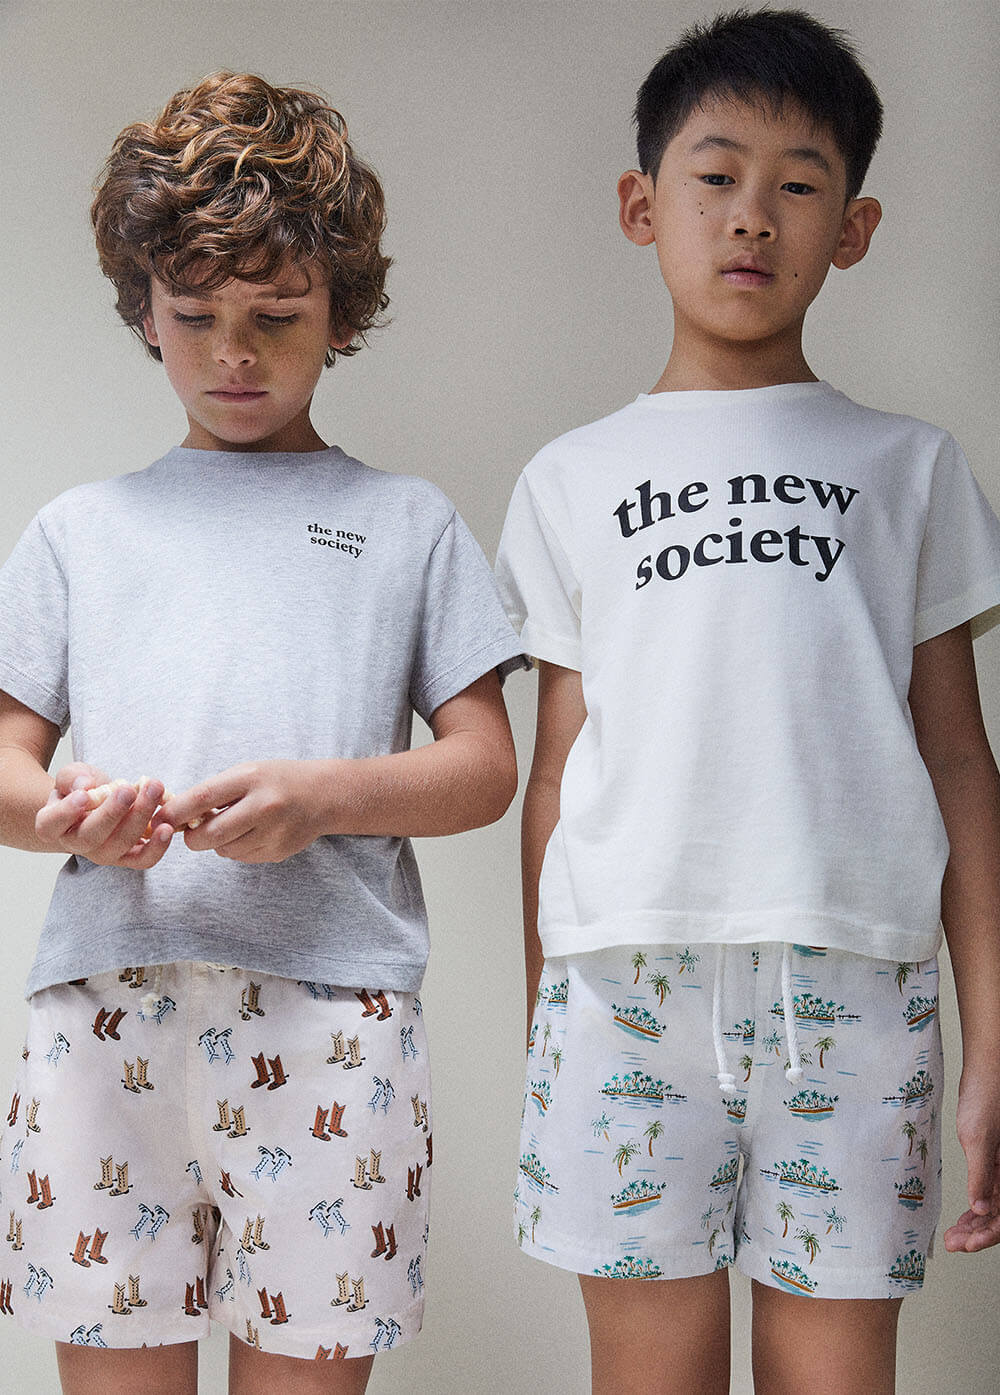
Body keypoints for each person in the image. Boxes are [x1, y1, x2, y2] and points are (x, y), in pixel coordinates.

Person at [495, 9, 1000, 1393]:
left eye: (798, 184)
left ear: (855, 227)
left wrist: (991, 1031)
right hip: (624, 979)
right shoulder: (570, 478)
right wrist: (543, 1016)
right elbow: (557, 767)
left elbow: (960, 757)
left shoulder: (909, 468)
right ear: (641, 204)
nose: (751, 217)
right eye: (715, 176)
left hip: (856, 976)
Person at [0, 71, 524, 1395]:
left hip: (333, 1018)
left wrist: (323, 799)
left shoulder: (407, 524)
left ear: (342, 311)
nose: (235, 353)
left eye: (276, 317)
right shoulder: (77, 532)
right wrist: (64, 818)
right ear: (144, 313)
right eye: (197, 317)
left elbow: (484, 769)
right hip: (106, 1014)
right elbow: (3, 765)